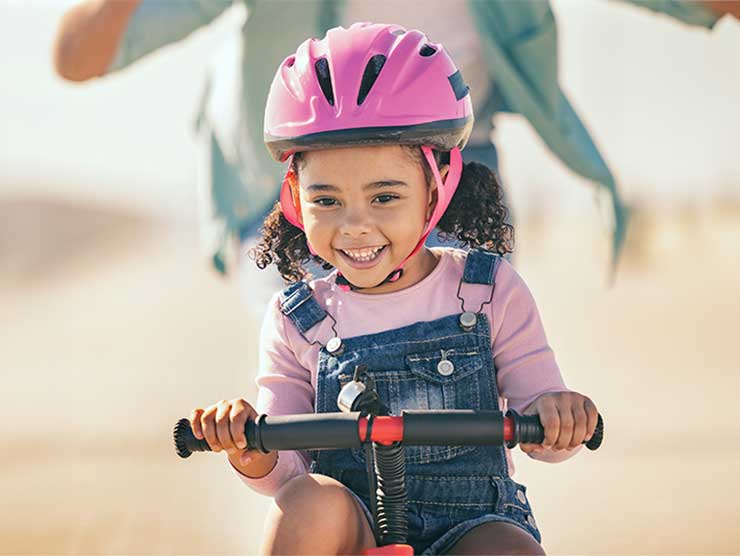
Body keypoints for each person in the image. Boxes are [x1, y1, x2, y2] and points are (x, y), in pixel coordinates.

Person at [188, 24, 600, 555]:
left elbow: (539, 420)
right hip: (351, 529)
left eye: (384, 197)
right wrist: (250, 447)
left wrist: (559, 415)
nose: (354, 226)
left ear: (437, 186)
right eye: (327, 200)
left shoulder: (488, 290)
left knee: (506, 550)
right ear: (294, 196)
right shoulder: (298, 317)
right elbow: (285, 471)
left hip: (473, 524)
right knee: (309, 503)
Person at [53, 1, 738, 319]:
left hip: (448, 176)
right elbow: (76, 57)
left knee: (460, 369)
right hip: (290, 187)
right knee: (318, 378)